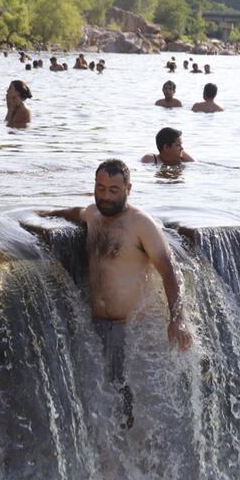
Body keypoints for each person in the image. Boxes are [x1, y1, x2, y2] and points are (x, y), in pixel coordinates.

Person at [40, 159, 193, 429]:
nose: (106, 196)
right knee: (104, 399)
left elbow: (169, 272)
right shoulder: (93, 216)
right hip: (97, 327)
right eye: (100, 188)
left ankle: (137, 455)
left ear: (128, 189)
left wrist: (177, 318)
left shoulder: (141, 224)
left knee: (131, 400)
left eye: (113, 189)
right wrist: (36, 214)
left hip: (133, 330)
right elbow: (70, 212)